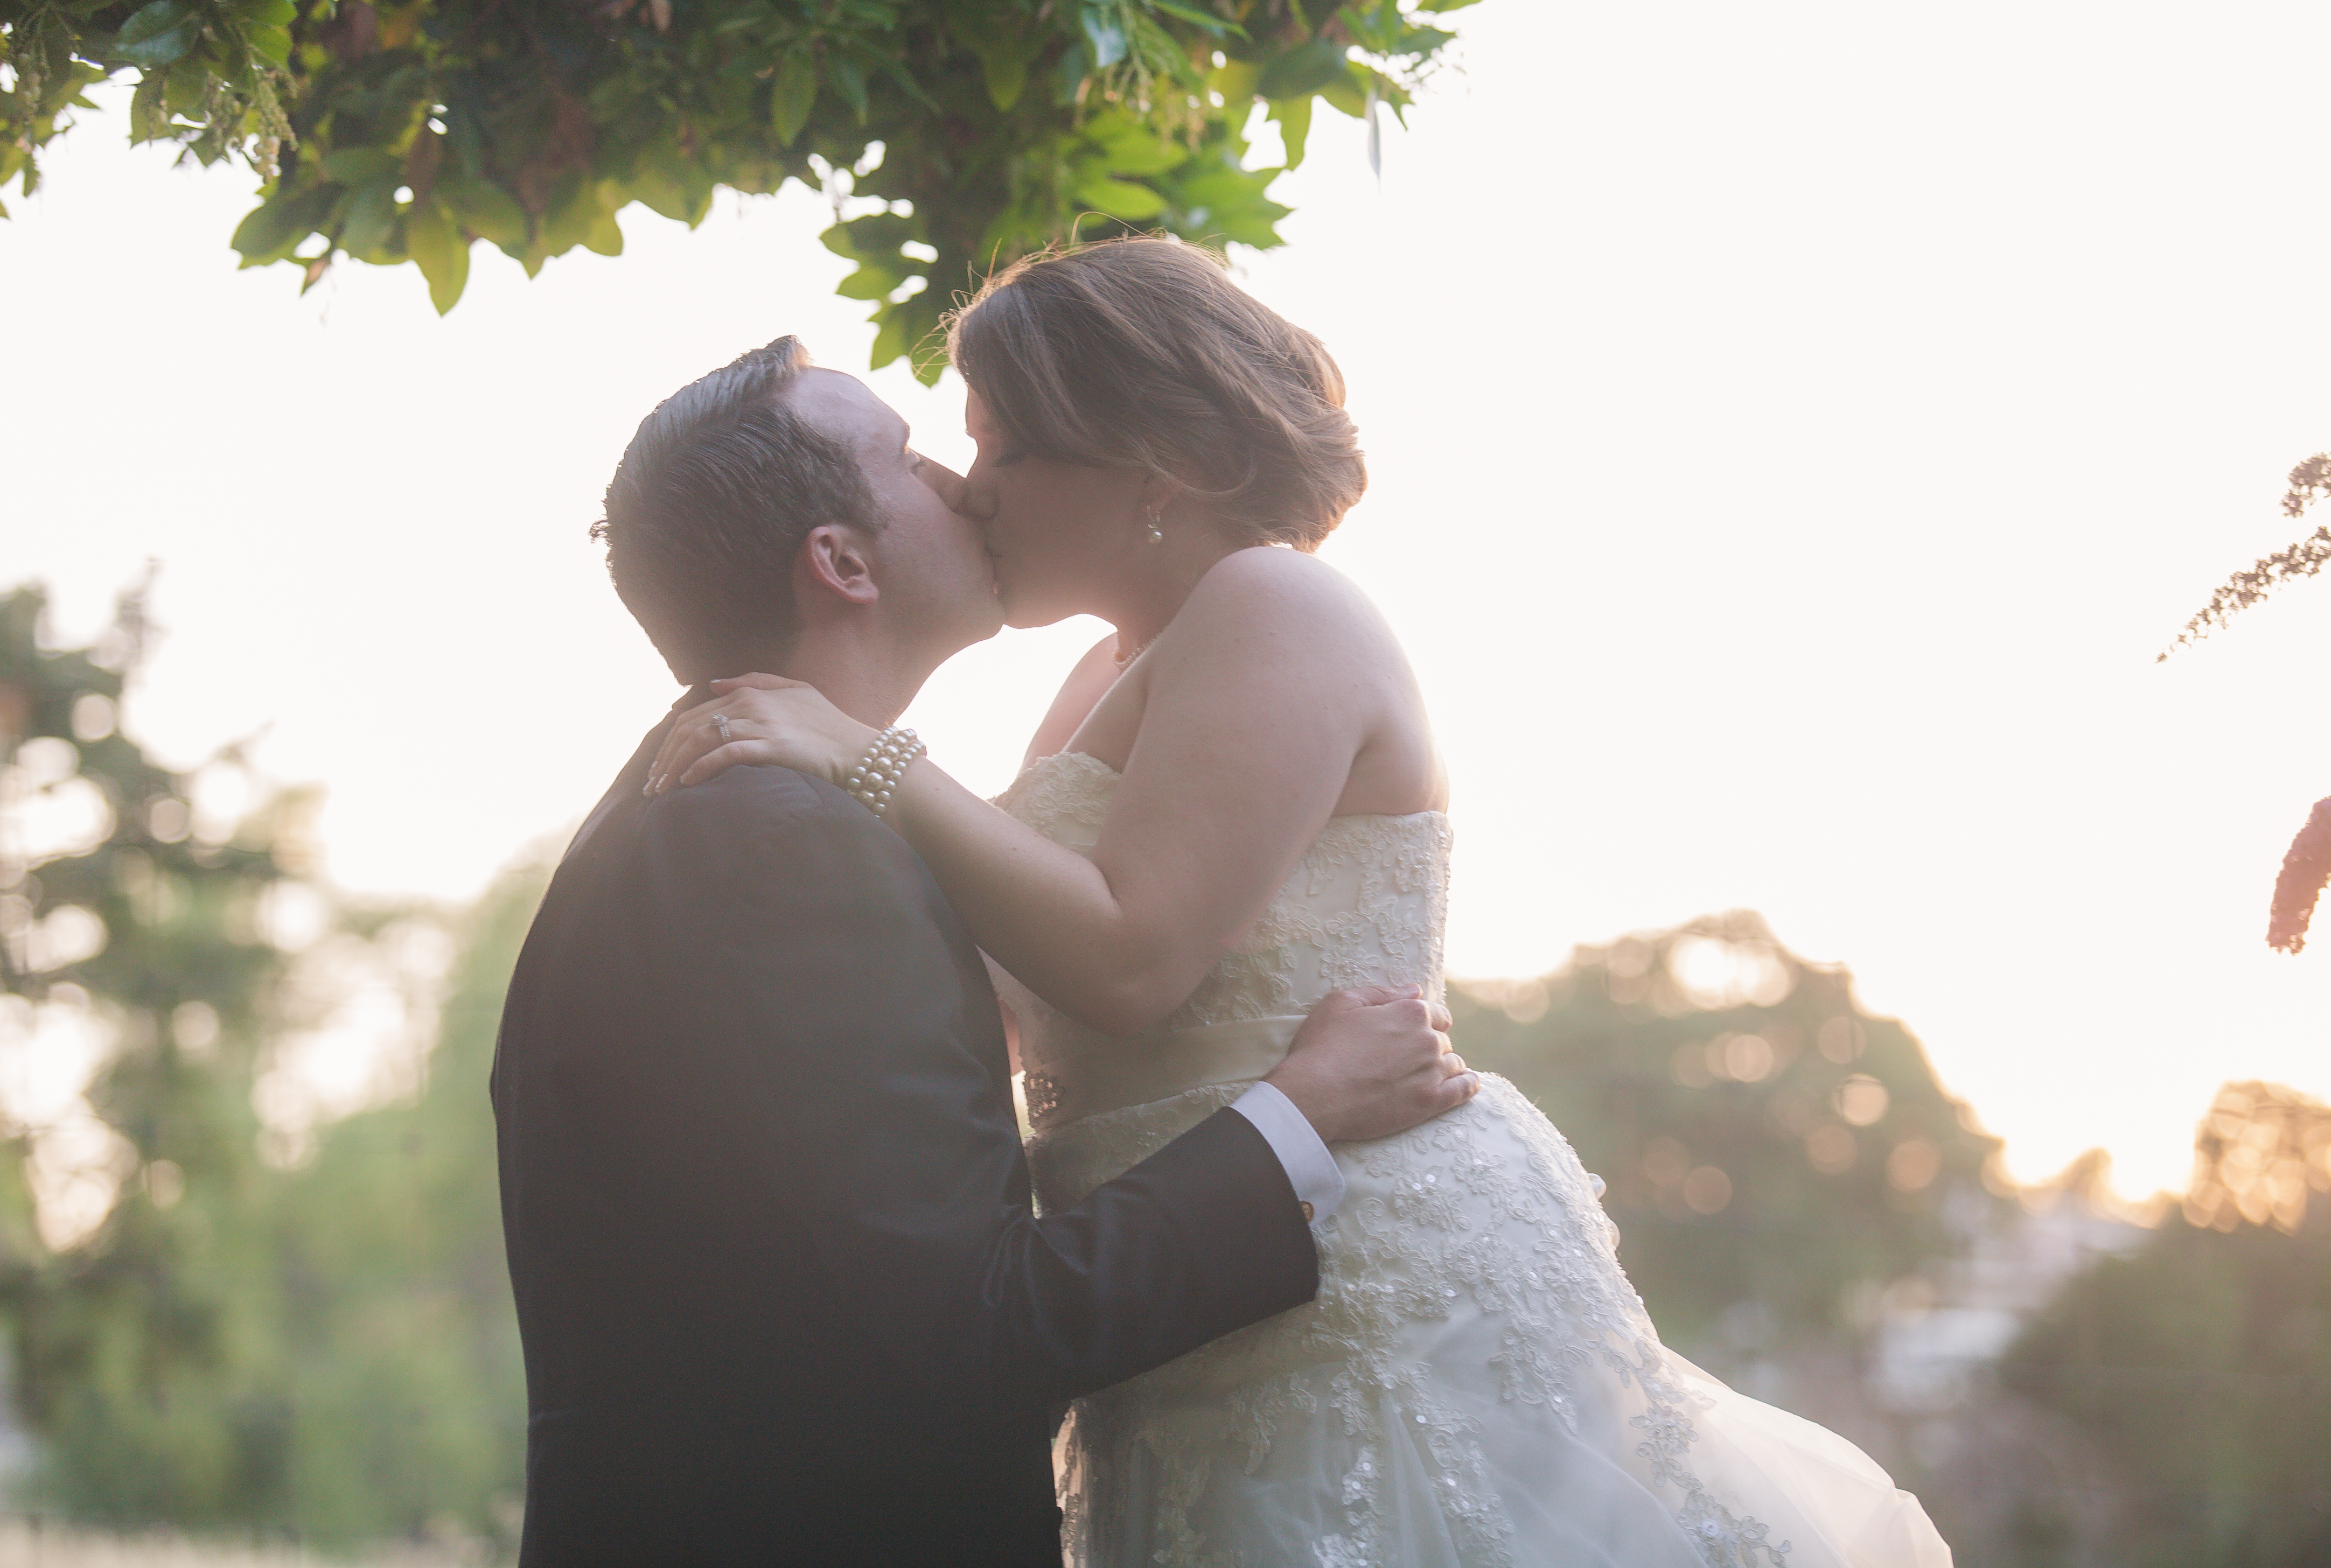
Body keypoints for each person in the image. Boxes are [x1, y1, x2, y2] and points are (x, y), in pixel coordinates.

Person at [652, 238, 1956, 1566]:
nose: (972, 492)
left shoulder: (1278, 605)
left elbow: (1131, 957)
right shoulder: (1105, 672)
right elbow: (1007, 979)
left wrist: (863, 755)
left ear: (1152, 462)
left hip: (1355, 1292)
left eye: (1007, 452)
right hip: (1185, 1309)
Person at [489, 334, 1479, 1567]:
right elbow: (966, 1335)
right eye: (912, 454)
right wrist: (1298, 1110)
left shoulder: (728, 819)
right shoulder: (779, 846)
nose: (964, 481)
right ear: (840, 562)